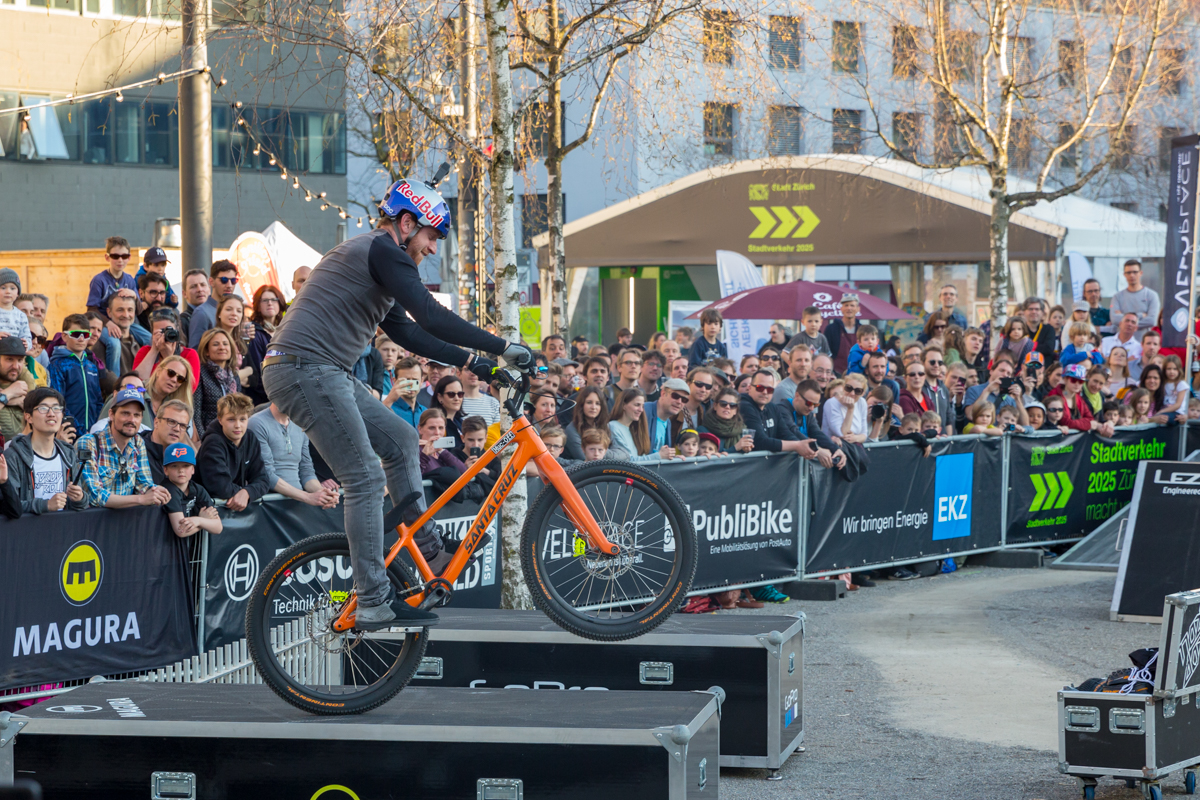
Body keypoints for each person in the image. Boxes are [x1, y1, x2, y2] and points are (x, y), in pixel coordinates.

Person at [262, 173, 526, 630]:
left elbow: (409, 331)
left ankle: (427, 548)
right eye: (430, 235)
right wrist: (500, 347)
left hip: (322, 371)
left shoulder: (377, 258)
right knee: (364, 475)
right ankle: (372, 599)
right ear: (406, 223)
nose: (433, 248)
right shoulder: (382, 250)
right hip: (306, 368)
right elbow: (429, 313)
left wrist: (477, 364)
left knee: (403, 440)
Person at [77, 387, 171, 509]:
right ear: (111, 414)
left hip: (125, 524)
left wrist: (156, 491)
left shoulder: (138, 442)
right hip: (92, 524)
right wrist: (141, 499)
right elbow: (95, 496)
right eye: (125, 413)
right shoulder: (88, 443)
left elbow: (144, 484)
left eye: (136, 415)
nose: (131, 420)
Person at [1, 388, 86, 515]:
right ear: (28, 417)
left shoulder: (68, 453)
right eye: (43, 408)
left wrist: (80, 498)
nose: (51, 413)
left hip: (63, 530)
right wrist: (45, 505)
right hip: (28, 531)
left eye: (57, 408)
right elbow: (10, 506)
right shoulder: (13, 456)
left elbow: (80, 505)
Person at [249, 403, 340, 508]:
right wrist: (307, 497)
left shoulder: (300, 425)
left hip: (296, 505)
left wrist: (324, 494)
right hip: (267, 507)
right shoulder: (256, 423)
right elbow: (266, 474)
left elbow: (306, 471)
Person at [196, 393, 272, 509]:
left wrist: (247, 493)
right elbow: (220, 487)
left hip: (233, 510)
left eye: (242, 419)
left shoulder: (251, 438)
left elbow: (263, 480)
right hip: (206, 510)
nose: (238, 425)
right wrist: (243, 492)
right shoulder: (213, 442)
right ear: (220, 420)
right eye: (231, 419)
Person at [47, 314, 102, 432]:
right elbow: (58, 401)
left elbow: (98, 400)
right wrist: (79, 429)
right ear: (64, 336)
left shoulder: (92, 367)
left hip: (92, 433)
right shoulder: (57, 365)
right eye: (76, 334)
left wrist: (95, 427)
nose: (81, 339)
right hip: (69, 432)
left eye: (86, 335)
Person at [160, 442, 223, 539]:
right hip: (166, 544)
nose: (181, 470)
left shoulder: (198, 489)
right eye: (174, 466)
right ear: (165, 470)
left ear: (193, 469)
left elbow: (218, 527)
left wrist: (199, 521)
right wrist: (203, 520)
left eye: (186, 466)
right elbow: (181, 530)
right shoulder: (168, 489)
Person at [134, 307, 201, 388]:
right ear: (152, 333)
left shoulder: (189, 354)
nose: (165, 335)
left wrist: (169, 358)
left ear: (177, 330)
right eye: (161, 332)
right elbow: (136, 383)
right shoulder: (145, 351)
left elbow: (189, 389)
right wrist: (154, 350)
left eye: (169, 330)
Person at [244, 284, 287, 406]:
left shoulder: (284, 330)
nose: (270, 303)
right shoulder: (254, 332)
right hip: (263, 400)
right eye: (265, 300)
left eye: (274, 299)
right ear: (258, 305)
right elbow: (258, 372)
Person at [193, 328, 240, 435]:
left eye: (225, 344)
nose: (222, 347)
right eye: (215, 344)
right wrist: (203, 439)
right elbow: (196, 412)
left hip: (232, 433)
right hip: (210, 433)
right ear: (206, 351)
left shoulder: (234, 376)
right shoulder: (200, 373)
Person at [86, 237, 139, 325]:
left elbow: (139, 310)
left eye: (124, 256)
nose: (120, 260)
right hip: (104, 324)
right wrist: (108, 323)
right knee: (114, 339)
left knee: (148, 338)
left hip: (126, 322)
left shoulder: (129, 280)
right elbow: (91, 310)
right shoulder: (99, 280)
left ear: (129, 258)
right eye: (115, 256)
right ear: (107, 257)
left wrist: (134, 296)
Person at [1049, 363, 1113, 435]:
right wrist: (1089, 425)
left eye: (1080, 381)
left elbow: (1090, 418)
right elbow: (1066, 422)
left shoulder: (1078, 398)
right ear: (1065, 379)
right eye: (1073, 380)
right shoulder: (1054, 395)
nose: (1077, 384)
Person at [97, 288, 149, 375]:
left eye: (130, 310)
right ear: (109, 312)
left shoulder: (141, 341)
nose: (126, 315)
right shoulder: (101, 345)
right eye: (120, 310)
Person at [188, 260, 239, 348]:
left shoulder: (236, 309)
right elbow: (195, 351)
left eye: (233, 280)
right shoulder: (202, 313)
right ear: (211, 282)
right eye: (224, 280)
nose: (229, 285)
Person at [141, 398, 192, 483]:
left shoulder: (184, 455)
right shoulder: (137, 448)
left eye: (182, 426)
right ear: (156, 422)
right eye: (171, 422)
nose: (177, 429)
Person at [564, 385, 615, 460]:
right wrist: (602, 449)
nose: (593, 407)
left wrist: (602, 451)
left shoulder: (606, 426)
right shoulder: (572, 429)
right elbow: (584, 457)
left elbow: (624, 454)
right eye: (589, 402)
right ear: (582, 404)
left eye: (597, 403)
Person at [608, 387, 658, 461]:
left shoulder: (634, 429)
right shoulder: (613, 427)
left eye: (642, 406)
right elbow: (628, 460)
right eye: (637, 405)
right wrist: (658, 456)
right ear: (623, 405)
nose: (641, 410)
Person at [700, 387, 754, 453]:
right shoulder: (702, 431)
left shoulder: (742, 430)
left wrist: (745, 450)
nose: (727, 407)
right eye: (723, 404)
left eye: (732, 405)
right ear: (715, 406)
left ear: (735, 411)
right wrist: (735, 448)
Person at [1110, 259, 1160, 331]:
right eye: (1128, 272)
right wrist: (1141, 315)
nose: (1132, 275)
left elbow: (1151, 321)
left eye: (1135, 272)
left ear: (1141, 273)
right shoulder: (1117, 297)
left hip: (1143, 341)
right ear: (1124, 274)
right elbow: (1115, 320)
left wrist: (1124, 319)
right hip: (1123, 341)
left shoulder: (1151, 295)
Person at [644, 378, 689, 457]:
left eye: (684, 399)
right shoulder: (645, 410)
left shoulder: (668, 422)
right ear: (663, 394)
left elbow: (659, 453)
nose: (679, 402)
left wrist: (672, 458)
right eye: (675, 396)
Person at [214, 294, 252, 385]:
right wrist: (246, 372)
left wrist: (248, 372)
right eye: (228, 309)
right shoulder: (212, 339)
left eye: (239, 311)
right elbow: (222, 377)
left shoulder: (240, 341)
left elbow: (254, 377)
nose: (234, 313)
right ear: (219, 313)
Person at [384, 356, 427, 427]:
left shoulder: (425, 412)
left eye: (415, 380)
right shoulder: (388, 409)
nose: (410, 385)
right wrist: (389, 400)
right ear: (395, 381)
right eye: (406, 381)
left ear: (422, 381)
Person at [179, 268, 211, 336]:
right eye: (193, 287)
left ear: (209, 289)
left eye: (203, 285)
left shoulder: (218, 315)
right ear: (184, 294)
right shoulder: (182, 321)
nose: (199, 289)